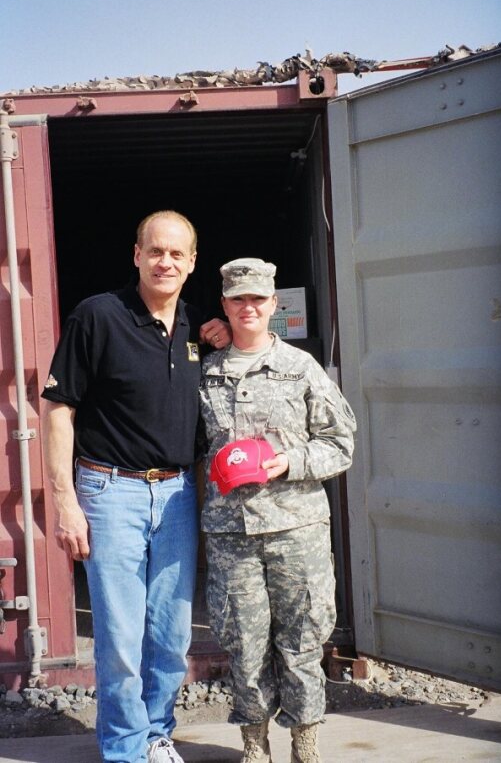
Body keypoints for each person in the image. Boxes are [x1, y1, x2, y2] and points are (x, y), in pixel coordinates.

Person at [41, 210, 230, 763]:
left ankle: (156, 733)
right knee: (121, 637)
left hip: (176, 496)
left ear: (193, 262)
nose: (165, 261)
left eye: (177, 253)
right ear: (137, 255)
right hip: (109, 491)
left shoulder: (198, 327)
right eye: (156, 251)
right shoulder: (98, 316)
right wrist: (65, 502)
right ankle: (124, 749)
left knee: (171, 634)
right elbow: (56, 412)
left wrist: (218, 331)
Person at [199, 258, 356, 763]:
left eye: (258, 299)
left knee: (304, 640)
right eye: (238, 299)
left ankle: (305, 744)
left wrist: (291, 461)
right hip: (232, 534)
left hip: (297, 529)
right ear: (224, 305)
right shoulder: (204, 371)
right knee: (243, 643)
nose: (249, 307)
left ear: (274, 305)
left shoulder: (300, 367)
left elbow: (341, 443)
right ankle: (254, 745)